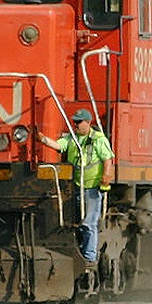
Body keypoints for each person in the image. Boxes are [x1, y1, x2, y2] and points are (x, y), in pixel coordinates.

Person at [38, 108, 114, 266]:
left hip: (93, 188)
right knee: (77, 222)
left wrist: (106, 175)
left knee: (89, 222)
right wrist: (43, 139)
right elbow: (58, 146)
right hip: (76, 187)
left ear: (88, 122)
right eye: (74, 122)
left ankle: (89, 258)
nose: (75, 125)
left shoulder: (99, 139)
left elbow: (107, 159)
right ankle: (80, 251)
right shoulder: (71, 138)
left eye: (79, 122)